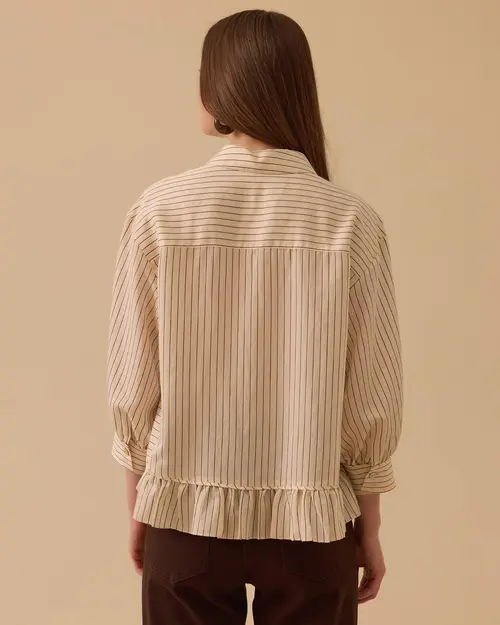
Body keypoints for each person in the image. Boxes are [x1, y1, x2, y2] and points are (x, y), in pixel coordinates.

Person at [107, 9, 403, 625]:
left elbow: (134, 384)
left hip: (183, 519)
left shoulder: (160, 211)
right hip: (312, 529)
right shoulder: (351, 221)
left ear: (218, 89)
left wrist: (139, 506)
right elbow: (369, 400)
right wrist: (369, 528)